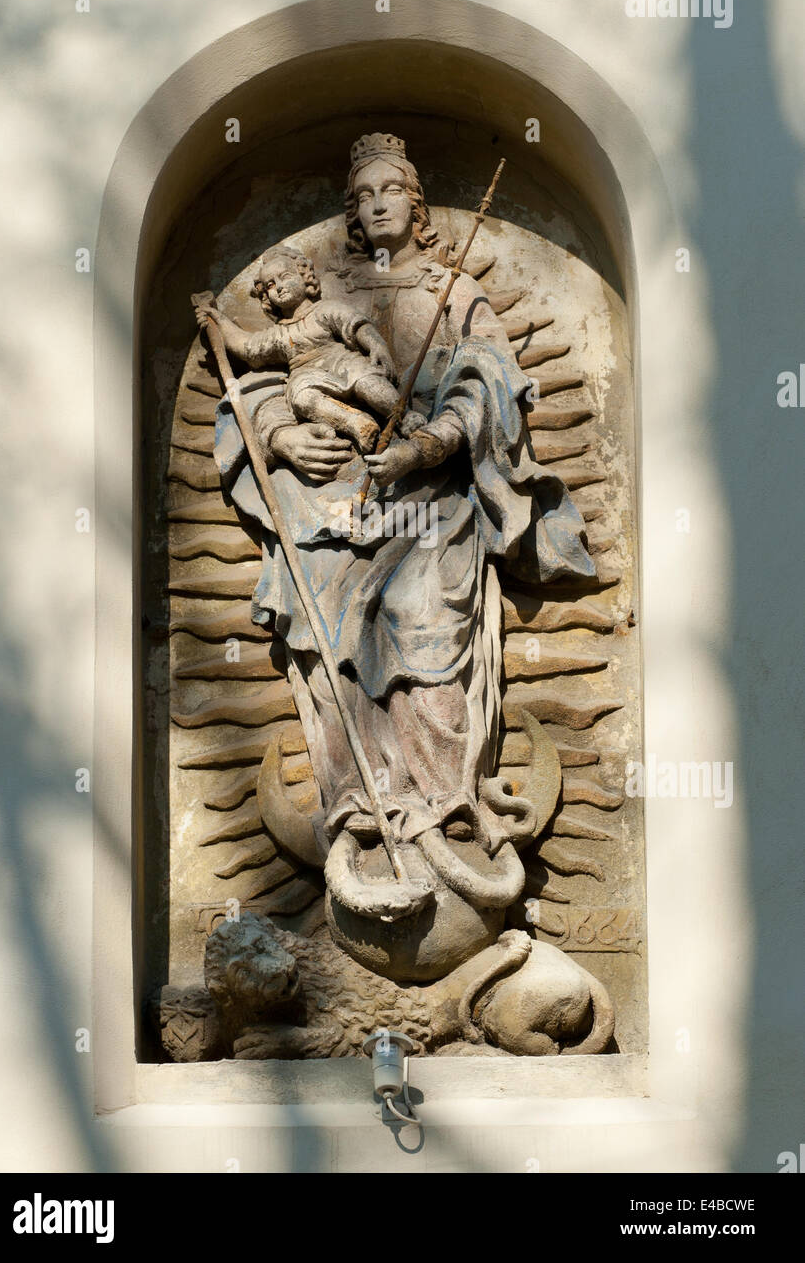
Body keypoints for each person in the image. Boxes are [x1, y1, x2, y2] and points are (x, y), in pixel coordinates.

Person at [212, 133, 597, 919]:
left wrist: (432, 442)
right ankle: (360, 804)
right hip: (335, 506)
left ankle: (447, 806)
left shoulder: (452, 291)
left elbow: (491, 380)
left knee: (419, 624)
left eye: (390, 190)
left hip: (431, 500)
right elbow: (255, 387)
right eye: (361, 197)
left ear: (415, 205)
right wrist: (284, 435)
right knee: (335, 645)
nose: (376, 204)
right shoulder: (323, 301)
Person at [195, 244, 424, 455]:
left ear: (305, 278)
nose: (280, 288)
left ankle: (403, 417)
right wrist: (218, 319)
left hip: (341, 361)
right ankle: (355, 423)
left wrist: (377, 346)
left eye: (285, 277)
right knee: (302, 399)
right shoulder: (277, 333)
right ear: (266, 295)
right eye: (271, 285)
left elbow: (356, 325)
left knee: (367, 381)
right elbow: (248, 348)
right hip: (305, 373)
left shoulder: (324, 310)